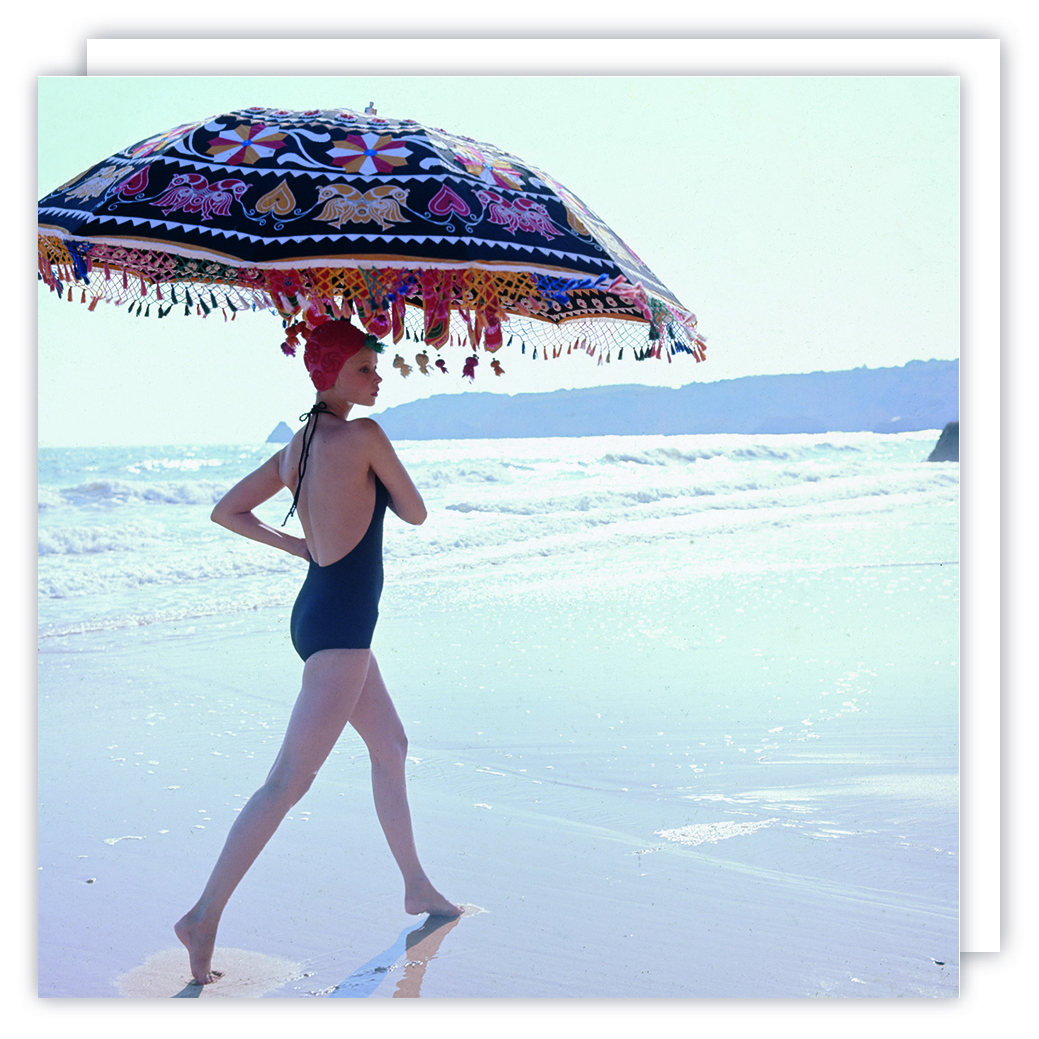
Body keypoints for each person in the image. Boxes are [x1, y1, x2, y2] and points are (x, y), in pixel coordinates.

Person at [175, 319, 461, 986]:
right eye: (365, 368)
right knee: (286, 783)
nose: (377, 378)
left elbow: (227, 510)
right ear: (330, 373)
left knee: (389, 743)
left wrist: (299, 546)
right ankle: (202, 913)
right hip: (340, 629)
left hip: (320, 611)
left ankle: (416, 885)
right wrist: (375, 492)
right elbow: (416, 513)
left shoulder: (297, 446)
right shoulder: (364, 436)